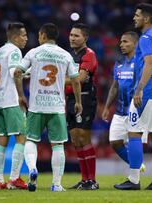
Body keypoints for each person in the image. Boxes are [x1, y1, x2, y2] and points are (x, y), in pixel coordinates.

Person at [16, 23, 82, 192]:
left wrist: (21, 95)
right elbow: (75, 80)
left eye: (39, 35)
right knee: (58, 145)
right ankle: (56, 184)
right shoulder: (65, 55)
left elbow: (17, 72)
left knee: (31, 140)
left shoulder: (33, 52)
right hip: (57, 106)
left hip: (36, 105)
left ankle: (32, 169)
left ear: (43, 35)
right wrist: (78, 102)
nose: (38, 38)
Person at [115, 3, 152, 190]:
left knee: (134, 132)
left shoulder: (145, 38)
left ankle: (134, 180)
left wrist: (139, 90)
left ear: (146, 18)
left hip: (149, 91)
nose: (134, 18)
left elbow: (149, 63)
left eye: (137, 15)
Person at [102, 31, 147, 172]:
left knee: (135, 141)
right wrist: (107, 107)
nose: (121, 44)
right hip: (120, 110)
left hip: (136, 109)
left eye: (126, 41)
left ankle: (135, 172)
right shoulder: (119, 63)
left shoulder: (142, 62)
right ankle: (138, 165)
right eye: (121, 42)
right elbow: (115, 86)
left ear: (135, 44)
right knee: (115, 142)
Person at [0, 22, 28, 190]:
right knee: (22, 137)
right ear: (14, 37)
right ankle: (14, 178)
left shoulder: (0, 50)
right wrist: (21, 96)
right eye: (23, 35)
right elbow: (16, 73)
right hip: (11, 100)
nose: (26, 39)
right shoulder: (14, 51)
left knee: (1, 140)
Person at [66, 23, 98, 190]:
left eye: (76, 35)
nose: (72, 38)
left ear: (85, 38)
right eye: (71, 35)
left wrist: (55, 79)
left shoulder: (89, 55)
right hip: (70, 99)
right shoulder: (69, 55)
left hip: (85, 99)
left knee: (83, 137)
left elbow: (80, 78)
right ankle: (84, 179)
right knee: (75, 140)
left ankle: (92, 180)